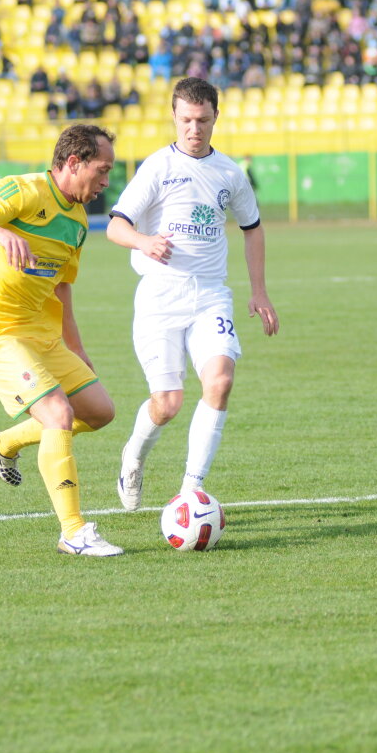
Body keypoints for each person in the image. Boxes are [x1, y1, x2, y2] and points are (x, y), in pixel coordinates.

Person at [0, 123, 123, 557]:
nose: (106, 181)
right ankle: (73, 532)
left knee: (99, 413)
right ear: (74, 162)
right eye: (102, 171)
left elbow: (62, 289)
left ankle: (3, 443)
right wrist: (0, 232)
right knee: (58, 412)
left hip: (41, 337)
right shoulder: (22, 192)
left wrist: (78, 352)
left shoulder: (79, 223)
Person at [106, 77, 279, 509]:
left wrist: (258, 291)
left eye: (202, 120)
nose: (194, 129)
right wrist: (143, 242)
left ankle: (190, 492)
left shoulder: (229, 174)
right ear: (174, 117)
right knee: (167, 404)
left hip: (210, 295)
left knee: (219, 382)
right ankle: (133, 456)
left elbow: (252, 229)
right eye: (186, 120)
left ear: (216, 118)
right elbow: (116, 225)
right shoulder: (157, 168)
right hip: (160, 297)